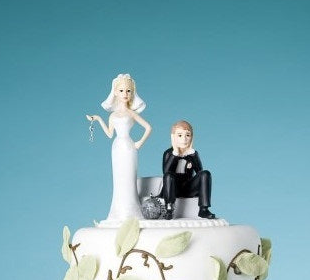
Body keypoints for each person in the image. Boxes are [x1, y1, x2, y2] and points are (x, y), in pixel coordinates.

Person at [86, 74, 152, 222]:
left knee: (129, 178)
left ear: (132, 93)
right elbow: (110, 134)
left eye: (128, 91)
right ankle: (118, 213)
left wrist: (139, 142)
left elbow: (148, 127)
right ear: (115, 92)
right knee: (119, 179)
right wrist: (98, 119)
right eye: (121, 90)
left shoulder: (131, 113)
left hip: (129, 147)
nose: (125, 94)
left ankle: (132, 214)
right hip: (116, 148)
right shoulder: (113, 115)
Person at [161, 120, 215, 219]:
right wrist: (175, 153)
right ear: (173, 137)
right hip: (173, 188)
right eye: (180, 135)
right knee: (168, 175)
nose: (184, 139)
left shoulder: (193, 153)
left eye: (188, 135)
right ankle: (169, 207)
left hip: (188, 188)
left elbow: (200, 173)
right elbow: (166, 172)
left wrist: (193, 155)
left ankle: (203, 209)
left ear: (192, 137)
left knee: (205, 173)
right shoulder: (169, 153)